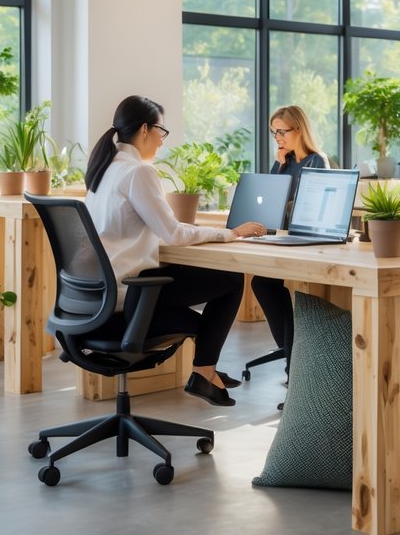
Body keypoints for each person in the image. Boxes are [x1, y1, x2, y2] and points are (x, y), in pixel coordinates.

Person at [84, 95, 266, 407]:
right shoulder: (138, 172)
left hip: (98, 297)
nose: (162, 141)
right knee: (232, 279)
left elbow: (134, 232)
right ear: (145, 129)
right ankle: (204, 371)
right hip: (130, 296)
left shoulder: (104, 169)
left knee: (205, 292)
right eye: (161, 132)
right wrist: (231, 233)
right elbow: (174, 232)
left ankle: (207, 369)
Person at [249, 105, 329, 371]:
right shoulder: (284, 162)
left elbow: (307, 208)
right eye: (274, 133)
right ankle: (291, 355)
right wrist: (279, 164)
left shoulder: (317, 160)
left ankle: (294, 360)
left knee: (269, 284)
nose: (278, 138)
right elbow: (271, 203)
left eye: (281, 131)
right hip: (282, 237)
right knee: (262, 283)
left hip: (305, 240)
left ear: (299, 129)